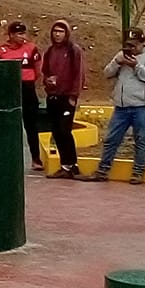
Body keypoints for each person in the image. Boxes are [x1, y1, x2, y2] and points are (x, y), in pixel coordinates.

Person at [88, 27, 145, 183]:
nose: (131, 49)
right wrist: (117, 63)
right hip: (121, 107)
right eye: (128, 45)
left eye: (134, 46)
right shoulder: (121, 56)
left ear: (142, 44)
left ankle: (138, 172)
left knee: (141, 140)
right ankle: (102, 170)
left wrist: (136, 66)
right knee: (111, 139)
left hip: (141, 106)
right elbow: (107, 73)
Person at [40, 21, 84, 178]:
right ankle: (65, 166)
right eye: (55, 31)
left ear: (67, 33)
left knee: (65, 130)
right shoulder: (50, 51)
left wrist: (73, 96)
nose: (57, 34)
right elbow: (44, 72)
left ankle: (73, 165)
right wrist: (47, 81)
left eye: (61, 31)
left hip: (67, 97)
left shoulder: (74, 50)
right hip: (53, 96)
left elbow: (79, 74)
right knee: (56, 131)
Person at [0, 21, 42, 169]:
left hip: (27, 90)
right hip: (9, 91)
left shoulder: (31, 48)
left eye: (24, 33)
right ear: (11, 35)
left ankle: (36, 159)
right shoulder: (1, 50)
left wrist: (29, 82)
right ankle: (6, 158)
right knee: (8, 126)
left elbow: (38, 70)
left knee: (31, 126)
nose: (23, 37)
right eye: (19, 34)